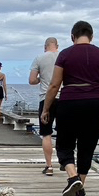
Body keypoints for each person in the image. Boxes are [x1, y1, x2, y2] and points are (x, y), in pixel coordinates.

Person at [41, 21, 99, 196]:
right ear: (91, 37)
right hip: (97, 103)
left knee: (64, 144)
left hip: (70, 102)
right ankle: (80, 188)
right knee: (87, 145)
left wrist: (46, 108)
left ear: (72, 36)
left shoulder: (65, 54)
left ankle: (73, 176)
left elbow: (54, 84)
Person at [29, 36, 59, 175]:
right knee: (65, 133)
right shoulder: (63, 56)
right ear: (57, 46)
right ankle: (66, 162)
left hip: (46, 98)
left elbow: (32, 80)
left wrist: (42, 78)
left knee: (46, 134)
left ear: (45, 46)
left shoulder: (39, 58)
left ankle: (49, 166)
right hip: (64, 99)